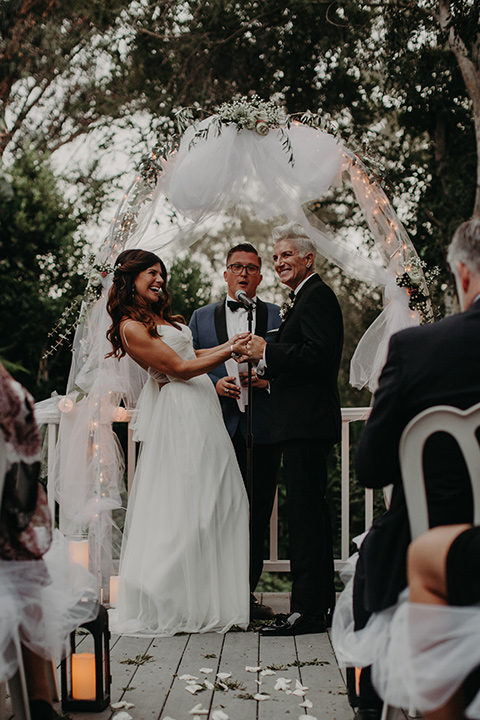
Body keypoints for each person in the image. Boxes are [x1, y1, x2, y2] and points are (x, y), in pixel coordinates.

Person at [332, 217, 480, 720]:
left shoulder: (418, 349)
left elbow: (371, 468)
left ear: (463, 275)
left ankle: (377, 710)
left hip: (440, 552)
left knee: (379, 556)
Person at [106, 248, 251, 636]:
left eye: (161, 274)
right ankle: (160, 594)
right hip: (181, 416)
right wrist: (232, 348)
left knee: (225, 498)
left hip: (203, 411)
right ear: (130, 279)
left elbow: (191, 352)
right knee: (189, 505)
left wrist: (222, 352)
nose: (159, 280)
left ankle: (205, 601)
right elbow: (179, 368)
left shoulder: (158, 318)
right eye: (150, 273)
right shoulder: (130, 327)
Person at [236, 221, 344, 636]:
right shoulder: (302, 298)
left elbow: (318, 357)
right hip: (299, 422)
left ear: (308, 259)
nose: (280, 262)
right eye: (276, 256)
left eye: (287, 256)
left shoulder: (317, 297)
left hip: (307, 423)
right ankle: (316, 607)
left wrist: (269, 351)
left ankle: (307, 612)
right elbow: (303, 358)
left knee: (305, 517)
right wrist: (268, 366)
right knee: (307, 516)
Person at [0, 362, 97, 720]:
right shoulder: (9, 392)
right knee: (25, 573)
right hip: (9, 537)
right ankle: (39, 700)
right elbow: (25, 474)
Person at [189, 243, 281, 620]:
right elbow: (187, 364)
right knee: (214, 512)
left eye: (252, 268)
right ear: (225, 273)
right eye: (236, 267)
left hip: (263, 429)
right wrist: (213, 385)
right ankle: (212, 593)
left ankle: (244, 595)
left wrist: (266, 378)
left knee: (257, 512)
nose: (244, 273)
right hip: (216, 428)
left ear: (260, 275)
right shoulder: (200, 317)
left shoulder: (278, 314)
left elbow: (289, 359)